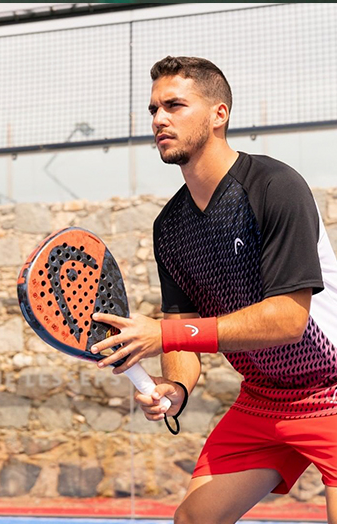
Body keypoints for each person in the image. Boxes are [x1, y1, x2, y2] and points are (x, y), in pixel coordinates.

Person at [89, 56, 337, 524]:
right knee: (192, 520)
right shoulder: (170, 228)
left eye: (175, 105)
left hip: (334, 391)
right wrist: (177, 386)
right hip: (263, 398)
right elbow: (181, 328)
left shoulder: (276, 186)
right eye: (153, 109)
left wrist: (165, 337)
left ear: (218, 114)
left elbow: (287, 318)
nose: (159, 119)